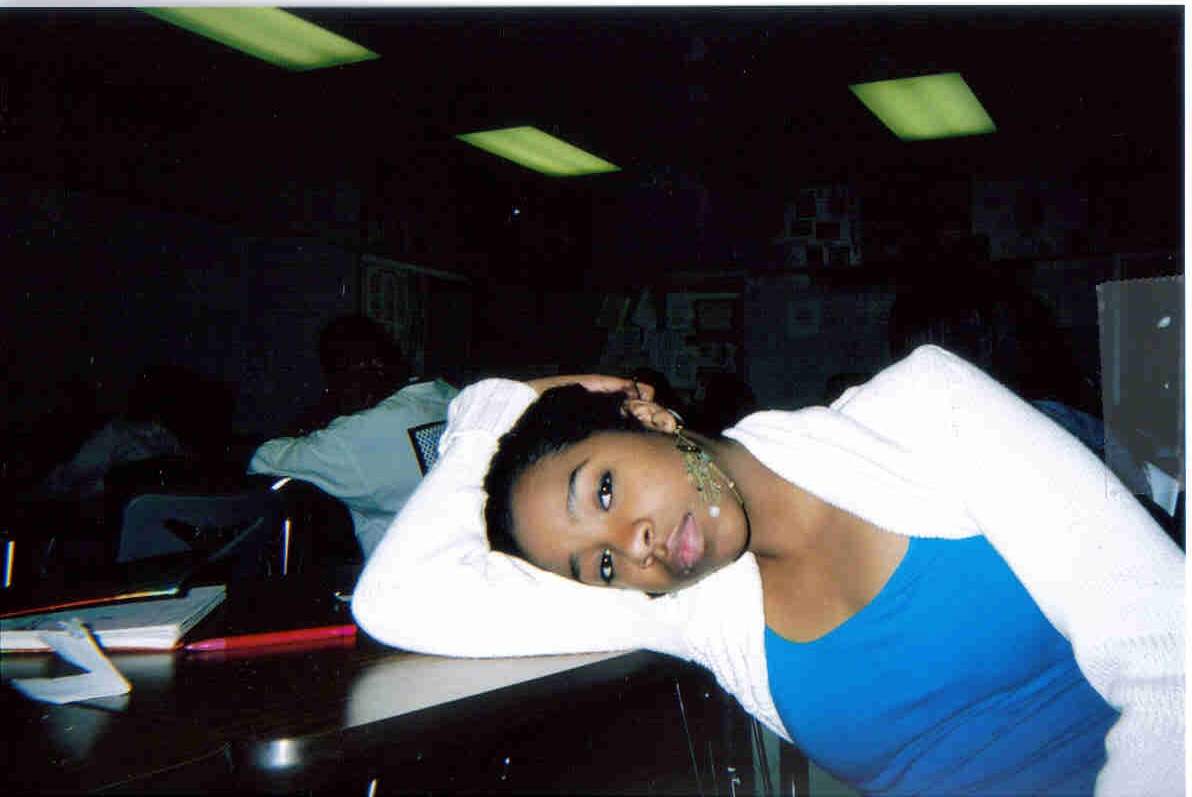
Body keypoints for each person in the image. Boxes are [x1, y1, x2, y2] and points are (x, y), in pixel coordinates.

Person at [352, 345, 1184, 796]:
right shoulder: (692, 607)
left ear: (649, 414)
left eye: (604, 487)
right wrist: (489, 416)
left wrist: (515, 400)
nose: (634, 545)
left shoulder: (924, 412)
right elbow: (397, 598)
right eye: (598, 563)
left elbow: (1171, 660)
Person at [249, 314, 458, 558]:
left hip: (405, 578)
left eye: (336, 374)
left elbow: (263, 458)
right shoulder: (449, 395)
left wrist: (321, 411)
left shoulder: (359, 433)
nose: (334, 388)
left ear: (371, 367)